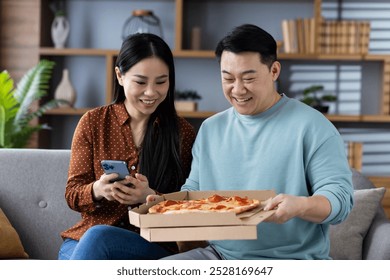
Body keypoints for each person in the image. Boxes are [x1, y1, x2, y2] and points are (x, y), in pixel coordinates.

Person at [160, 24, 354, 260]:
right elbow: (194, 191)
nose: (238, 89)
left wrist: (301, 206)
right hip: (220, 256)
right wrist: (165, 203)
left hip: (292, 260)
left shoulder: (313, 126)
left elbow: (340, 201)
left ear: (274, 71)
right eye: (228, 78)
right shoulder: (211, 129)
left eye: (249, 78)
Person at [58, 33, 196, 260]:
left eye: (161, 82)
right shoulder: (93, 122)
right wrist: (98, 190)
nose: (151, 92)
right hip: (85, 242)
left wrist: (150, 196)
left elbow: (191, 202)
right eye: (141, 82)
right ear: (120, 76)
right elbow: (72, 194)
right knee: (94, 239)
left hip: (147, 244)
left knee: (98, 238)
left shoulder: (182, 133)